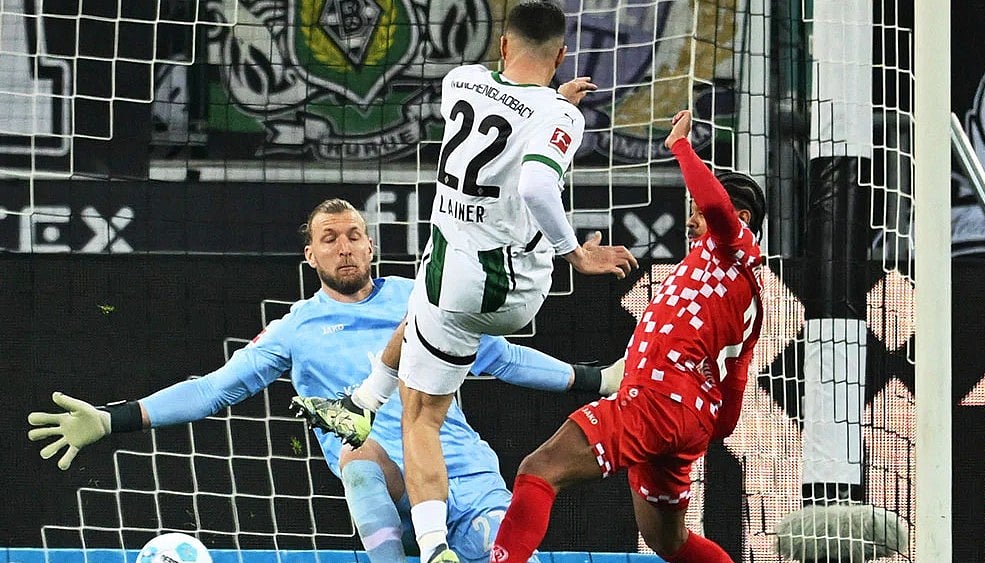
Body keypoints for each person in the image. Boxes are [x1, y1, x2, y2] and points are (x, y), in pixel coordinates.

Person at [26, 198, 624, 563]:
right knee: (357, 454)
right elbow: (212, 389)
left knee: (500, 546)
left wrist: (600, 379)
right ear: (310, 257)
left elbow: (503, 358)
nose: (344, 247)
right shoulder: (296, 330)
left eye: (354, 235)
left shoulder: (421, 298)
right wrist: (112, 417)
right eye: (329, 239)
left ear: (371, 244)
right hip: (385, 479)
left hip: (462, 471)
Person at [301, 4, 639, 563]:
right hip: (510, 286)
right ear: (559, 57)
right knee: (423, 307)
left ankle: (433, 547)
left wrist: (571, 246)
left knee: (420, 414)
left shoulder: (463, 80)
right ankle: (362, 400)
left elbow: (521, 164)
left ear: (503, 46)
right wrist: (574, 249)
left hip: (467, 280)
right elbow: (534, 173)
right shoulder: (559, 113)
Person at [488, 109, 767, 563]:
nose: (694, 218)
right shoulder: (744, 295)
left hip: (656, 400)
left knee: (539, 470)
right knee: (668, 542)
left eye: (698, 211)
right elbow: (732, 397)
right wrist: (690, 432)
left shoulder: (733, 249)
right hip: (686, 420)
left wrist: (680, 146)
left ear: (742, 217)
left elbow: (716, 207)